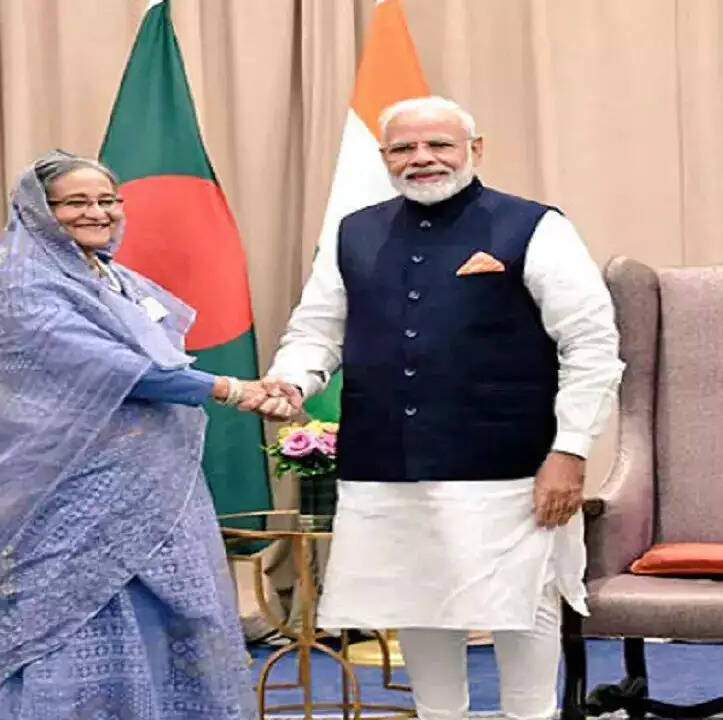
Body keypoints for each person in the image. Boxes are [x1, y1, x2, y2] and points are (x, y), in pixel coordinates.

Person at [260, 97, 625, 720]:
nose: (421, 159)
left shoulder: (534, 226)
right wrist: (292, 380)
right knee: (417, 599)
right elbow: (317, 329)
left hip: (511, 462)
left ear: (474, 150)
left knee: (524, 602)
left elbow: (591, 345)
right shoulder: (354, 230)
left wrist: (570, 450)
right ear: (385, 158)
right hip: (386, 460)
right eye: (404, 148)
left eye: (439, 145)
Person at [0, 150, 263, 719]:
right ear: (39, 211)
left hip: (153, 479)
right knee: (78, 621)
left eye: (107, 200)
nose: (97, 213)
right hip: (66, 487)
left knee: (179, 616)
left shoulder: (112, 276)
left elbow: (162, 355)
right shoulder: (20, 284)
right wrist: (231, 389)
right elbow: (113, 368)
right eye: (76, 203)